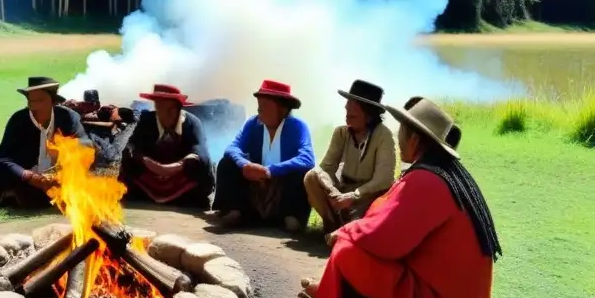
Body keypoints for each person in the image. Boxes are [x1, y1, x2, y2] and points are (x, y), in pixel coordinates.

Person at [299, 98, 502, 298]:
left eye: (402, 131)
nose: (398, 138)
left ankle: (333, 294)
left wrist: (347, 231)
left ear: (414, 139)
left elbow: (385, 240)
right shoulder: (448, 175)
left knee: (346, 250)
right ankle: (345, 292)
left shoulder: (426, 180)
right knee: (353, 243)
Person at [212, 80, 316, 232]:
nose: (260, 109)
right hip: (254, 183)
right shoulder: (252, 124)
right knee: (227, 163)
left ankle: (292, 217)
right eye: (259, 104)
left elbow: (307, 158)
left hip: (283, 187)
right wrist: (244, 165)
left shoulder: (298, 126)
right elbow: (232, 148)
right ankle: (235, 210)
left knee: (304, 172)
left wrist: (270, 171)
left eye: (266, 105)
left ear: (283, 109)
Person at [304, 80, 397, 234]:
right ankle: (332, 224)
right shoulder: (341, 133)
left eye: (355, 104)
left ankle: (349, 230)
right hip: (342, 191)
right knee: (311, 177)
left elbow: (384, 178)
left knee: (370, 217)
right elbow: (326, 167)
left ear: (369, 113)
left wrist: (354, 196)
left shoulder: (383, 135)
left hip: (367, 197)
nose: (347, 107)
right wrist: (333, 192)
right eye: (348, 102)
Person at [0, 76, 90, 208]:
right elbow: (4, 160)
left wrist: (65, 153)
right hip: (30, 183)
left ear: (52, 101)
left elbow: (86, 144)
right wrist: (29, 176)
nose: (34, 106)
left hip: (63, 179)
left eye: (40, 100)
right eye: (31, 101)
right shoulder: (18, 121)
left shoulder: (68, 117)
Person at [118, 84, 215, 207]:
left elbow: (200, 150)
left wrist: (180, 164)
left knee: (201, 167)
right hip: (150, 174)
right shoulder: (145, 120)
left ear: (177, 108)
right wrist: (145, 160)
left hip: (181, 175)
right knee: (127, 162)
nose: (164, 112)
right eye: (159, 106)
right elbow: (131, 144)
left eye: (169, 108)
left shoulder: (192, 123)